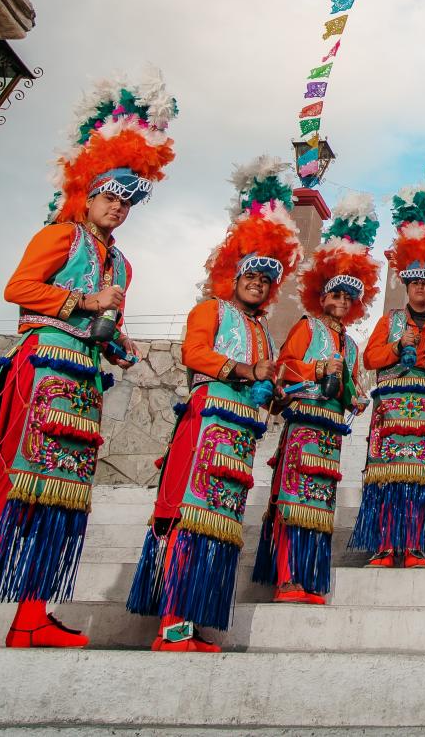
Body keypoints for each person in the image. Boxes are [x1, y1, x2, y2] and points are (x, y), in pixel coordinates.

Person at [0, 72, 178, 648]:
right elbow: (19, 288)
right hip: (38, 373)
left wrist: (119, 343)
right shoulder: (59, 236)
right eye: (110, 195)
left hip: (83, 385)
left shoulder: (123, 266)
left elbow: (102, 323)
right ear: (88, 193)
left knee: (59, 500)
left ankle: (32, 617)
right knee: (8, 486)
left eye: (127, 201)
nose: (117, 207)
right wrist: (84, 301)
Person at [123, 156, 299, 652]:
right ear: (234, 275)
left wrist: (278, 391)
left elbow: (262, 376)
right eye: (251, 276)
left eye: (266, 280)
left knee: (216, 528)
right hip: (206, 427)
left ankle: (188, 622)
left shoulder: (263, 329)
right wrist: (246, 372)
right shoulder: (210, 310)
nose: (258, 284)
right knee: (190, 519)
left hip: (239, 439)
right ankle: (171, 627)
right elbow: (194, 353)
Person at [254, 193, 379, 605]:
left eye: (348, 298)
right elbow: (286, 366)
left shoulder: (353, 346)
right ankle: (286, 578)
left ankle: (307, 579)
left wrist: (351, 393)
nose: (341, 303)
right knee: (293, 501)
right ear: (320, 297)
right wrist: (317, 371)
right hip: (303, 426)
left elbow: (357, 391)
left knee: (318, 508)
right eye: (335, 296)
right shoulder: (307, 327)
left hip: (330, 434)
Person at [354, 187, 425, 568]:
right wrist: (396, 344)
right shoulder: (389, 322)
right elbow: (370, 358)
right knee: (386, 478)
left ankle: (415, 545)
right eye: (414, 283)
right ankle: (385, 545)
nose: (420, 288)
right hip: (391, 406)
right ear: (407, 286)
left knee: (420, 479)